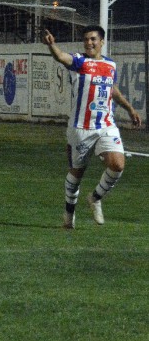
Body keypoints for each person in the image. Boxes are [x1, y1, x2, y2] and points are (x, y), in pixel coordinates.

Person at [42, 26, 142, 229]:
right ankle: (69, 213)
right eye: (86, 39)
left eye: (93, 39)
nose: (89, 43)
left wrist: (130, 109)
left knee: (118, 165)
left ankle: (95, 198)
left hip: (106, 124)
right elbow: (61, 57)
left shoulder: (110, 64)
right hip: (80, 128)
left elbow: (112, 90)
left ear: (102, 41)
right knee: (76, 175)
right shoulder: (80, 62)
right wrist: (52, 45)